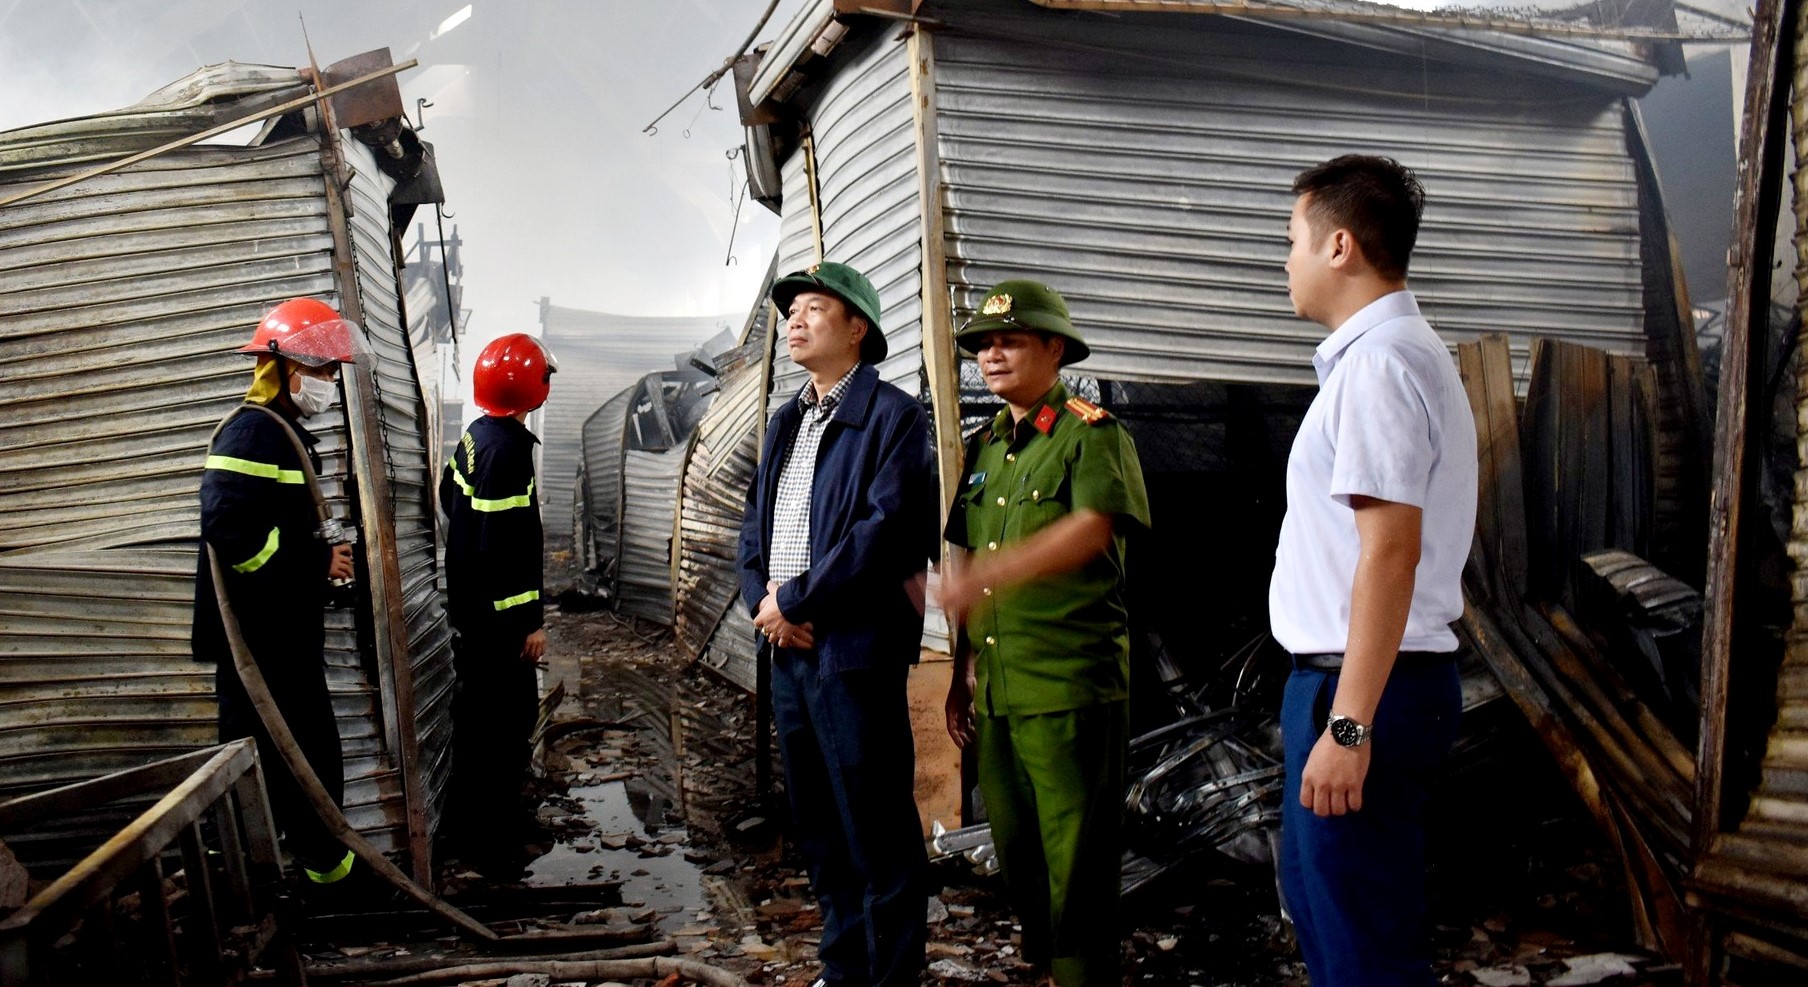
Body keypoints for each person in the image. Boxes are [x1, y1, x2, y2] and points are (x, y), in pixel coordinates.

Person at [1268, 154, 1478, 986]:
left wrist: (1348, 727)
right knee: (1330, 918)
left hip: (1366, 692)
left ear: (1340, 246)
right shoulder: (1380, 359)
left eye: (1292, 240)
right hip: (1350, 683)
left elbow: (1390, 553)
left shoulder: (1381, 366)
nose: (1284, 260)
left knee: (1364, 949)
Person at [940, 280, 1151, 987]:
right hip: (999, 687)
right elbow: (967, 556)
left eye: (1010, 340)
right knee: (1019, 849)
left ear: (1053, 348)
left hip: (1068, 683)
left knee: (1079, 856)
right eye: (983, 345)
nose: (992, 355)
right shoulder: (988, 448)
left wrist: (985, 575)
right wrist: (959, 669)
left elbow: (1093, 530)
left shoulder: (1092, 434)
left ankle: (1083, 975)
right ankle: (1047, 965)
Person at [736, 262, 937, 987]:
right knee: (818, 825)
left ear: (858, 328)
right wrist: (768, 606)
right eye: (790, 310)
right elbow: (751, 533)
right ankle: (844, 968)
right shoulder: (787, 420)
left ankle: (893, 977)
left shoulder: (892, 418)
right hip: (791, 652)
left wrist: (798, 601)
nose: (794, 319)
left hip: (852, 653)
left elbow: (882, 533)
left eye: (814, 308)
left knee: (876, 828)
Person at [193, 296, 364, 888]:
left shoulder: (282, 430)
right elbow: (227, 525)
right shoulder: (250, 432)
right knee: (282, 759)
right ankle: (271, 887)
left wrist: (320, 560)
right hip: (259, 639)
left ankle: (318, 876)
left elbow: (277, 523)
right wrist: (314, 563)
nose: (328, 383)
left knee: (297, 757)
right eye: (319, 370)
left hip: (281, 634)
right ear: (281, 367)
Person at [439, 332, 556, 872]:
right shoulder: (508, 451)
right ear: (531, 387)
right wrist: (528, 624)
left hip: (472, 617)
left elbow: (449, 497)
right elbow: (502, 546)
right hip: (499, 628)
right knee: (504, 730)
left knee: (478, 726)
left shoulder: (476, 437)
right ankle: (495, 847)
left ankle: (475, 832)